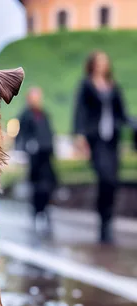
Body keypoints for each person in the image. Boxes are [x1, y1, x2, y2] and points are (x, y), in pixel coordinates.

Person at [73, 51, 131, 243]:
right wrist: (80, 135)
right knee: (105, 177)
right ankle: (103, 220)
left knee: (113, 181)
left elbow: (122, 113)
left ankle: (107, 220)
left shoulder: (113, 86)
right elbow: (80, 110)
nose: (101, 65)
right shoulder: (86, 85)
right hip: (96, 141)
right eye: (98, 62)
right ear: (92, 64)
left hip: (111, 142)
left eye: (104, 62)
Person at [17, 87, 57, 236]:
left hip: (47, 157)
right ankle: (36, 214)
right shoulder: (26, 115)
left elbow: (49, 132)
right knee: (37, 188)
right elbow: (21, 136)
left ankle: (46, 212)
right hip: (35, 159)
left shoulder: (44, 114)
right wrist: (28, 147)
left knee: (49, 186)